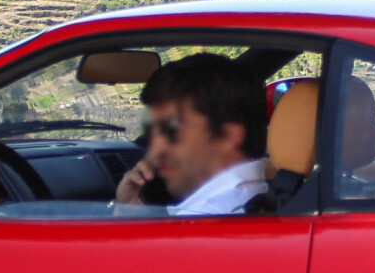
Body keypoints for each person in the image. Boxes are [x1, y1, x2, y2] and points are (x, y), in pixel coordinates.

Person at [115, 53, 269, 216]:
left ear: (226, 136)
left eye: (171, 130)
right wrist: (129, 211)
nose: (155, 148)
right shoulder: (258, 198)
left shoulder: (201, 223)